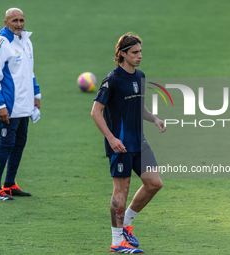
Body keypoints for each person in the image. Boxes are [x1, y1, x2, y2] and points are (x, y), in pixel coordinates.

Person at [91, 33, 166, 254]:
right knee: (121, 189)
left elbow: (137, 105)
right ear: (122, 54)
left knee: (155, 184)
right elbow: (96, 112)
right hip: (120, 145)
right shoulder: (112, 79)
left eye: (141, 51)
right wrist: (111, 139)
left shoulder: (139, 76)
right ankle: (116, 243)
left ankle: (126, 225)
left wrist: (154, 119)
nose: (140, 56)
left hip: (139, 143)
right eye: (135, 52)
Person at [0, 8, 41, 201]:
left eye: (22, 20)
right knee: (5, 145)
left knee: (19, 145)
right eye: (15, 20)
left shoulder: (25, 40)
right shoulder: (1, 43)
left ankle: (9, 185)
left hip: (24, 107)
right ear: (6, 22)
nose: (19, 24)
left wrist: (37, 94)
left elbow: (29, 71)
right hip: (9, 107)